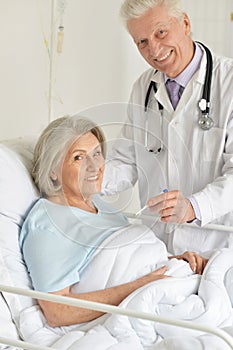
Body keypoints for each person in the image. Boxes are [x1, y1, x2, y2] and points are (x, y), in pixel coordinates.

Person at [19, 115, 208, 328]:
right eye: (79, 158)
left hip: (168, 285)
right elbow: (58, 311)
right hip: (144, 304)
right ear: (53, 171)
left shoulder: (100, 205)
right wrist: (139, 288)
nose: (95, 166)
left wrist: (178, 260)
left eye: (97, 154)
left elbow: (134, 258)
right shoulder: (48, 224)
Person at [102, 0, 233, 254]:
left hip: (217, 249)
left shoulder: (228, 83)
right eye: (142, 42)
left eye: (160, 32)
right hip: (158, 252)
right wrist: (90, 177)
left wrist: (194, 207)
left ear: (184, 23)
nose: (154, 49)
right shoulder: (144, 88)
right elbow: (128, 161)